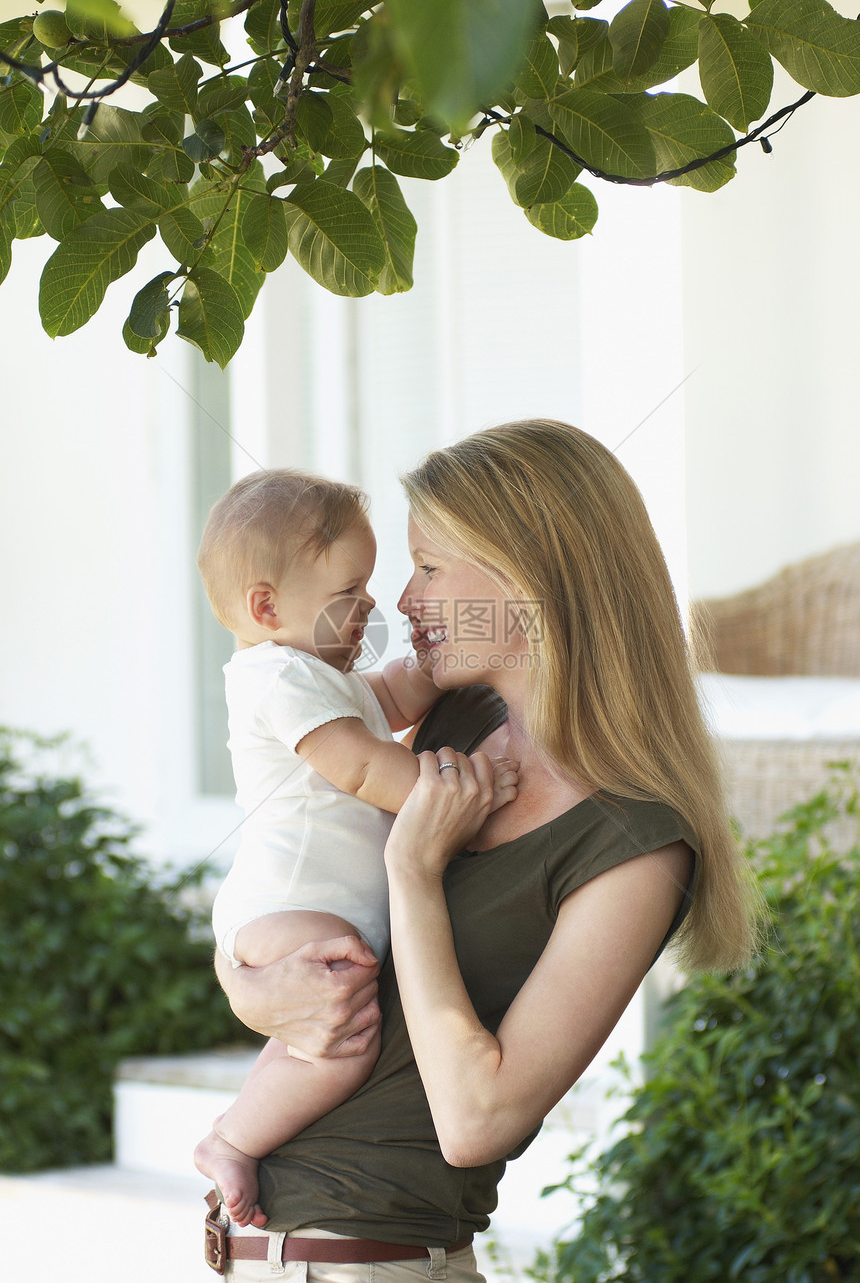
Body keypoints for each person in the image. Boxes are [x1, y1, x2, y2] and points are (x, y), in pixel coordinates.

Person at [209, 419, 761, 1281]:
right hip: (258, 1245)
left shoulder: (636, 844)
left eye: (428, 566)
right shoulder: (458, 724)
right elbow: (307, 879)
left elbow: (476, 1118)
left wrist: (415, 870)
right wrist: (248, 984)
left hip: (378, 1257)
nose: (403, 601)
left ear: (529, 574)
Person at [193, 466, 522, 1228]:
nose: (372, 603)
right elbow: (363, 764)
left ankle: (239, 1127)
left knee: (330, 1024)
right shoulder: (277, 674)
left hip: (305, 903)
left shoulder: (319, 676)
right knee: (342, 1037)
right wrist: (453, 790)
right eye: (350, 591)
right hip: (290, 904)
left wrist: (459, 648)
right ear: (267, 606)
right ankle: (233, 1138)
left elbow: (402, 691)